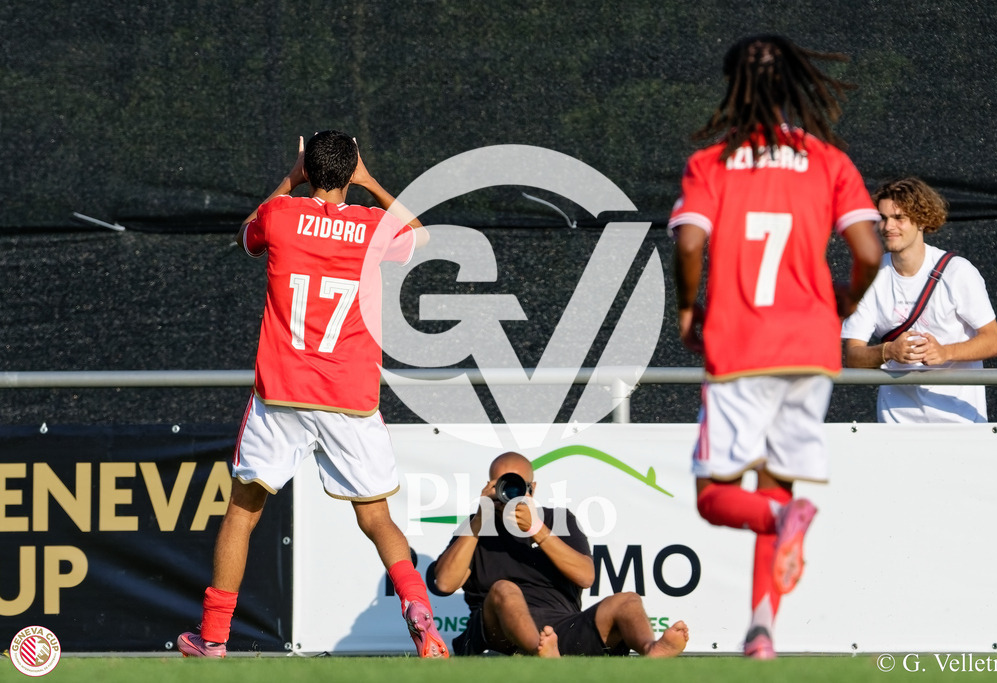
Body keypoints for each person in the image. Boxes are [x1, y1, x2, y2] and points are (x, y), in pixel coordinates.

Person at [177, 130, 448, 658]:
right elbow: (422, 235)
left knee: (242, 514)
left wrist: (290, 178)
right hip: (349, 396)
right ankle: (418, 609)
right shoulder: (372, 226)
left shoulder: (281, 215)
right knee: (377, 518)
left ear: (308, 169)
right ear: (351, 171)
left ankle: (213, 637)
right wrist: (370, 182)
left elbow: (245, 233)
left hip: (282, 393)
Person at [669, 35, 882, 659]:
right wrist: (845, 300)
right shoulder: (828, 160)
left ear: (732, 88)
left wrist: (687, 307)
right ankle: (761, 631)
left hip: (741, 345)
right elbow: (869, 251)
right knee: (777, 487)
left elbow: (689, 243)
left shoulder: (712, 162)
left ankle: (781, 525)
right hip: (811, 348)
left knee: (715, 498)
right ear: (793, 85)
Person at [433, 451, 690, 658]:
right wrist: (480, 519)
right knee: (504, 589)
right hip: (498, 629)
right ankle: (538, 650)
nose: (509, 493)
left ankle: (651, 648)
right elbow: (445, 583)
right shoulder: (475, 526)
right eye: (502, 485)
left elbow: (586, 577)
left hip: (561, 628)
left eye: (517, 485)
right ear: (490, 486)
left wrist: (537, 530)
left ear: (532, 488)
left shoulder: (558, 520)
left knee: (628, 600)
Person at [842, 177, 997, 422]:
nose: (888, 226)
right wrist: (889, 351)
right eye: (883, 218)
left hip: (960, 421)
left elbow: (994, 341)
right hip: (896, 425)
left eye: (899, 218)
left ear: (921, 220)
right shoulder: (870, 276)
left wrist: (945, 352)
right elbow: (853, 356)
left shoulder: (958, 271)